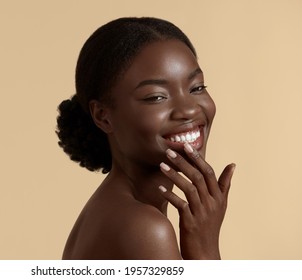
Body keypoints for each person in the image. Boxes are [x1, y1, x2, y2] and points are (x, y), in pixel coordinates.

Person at [56, 17, 236, 260]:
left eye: (197, 87)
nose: (189, 110)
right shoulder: (144, 228)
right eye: (156, 97)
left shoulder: (116, 209)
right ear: (103, 116)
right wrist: (205, 250)